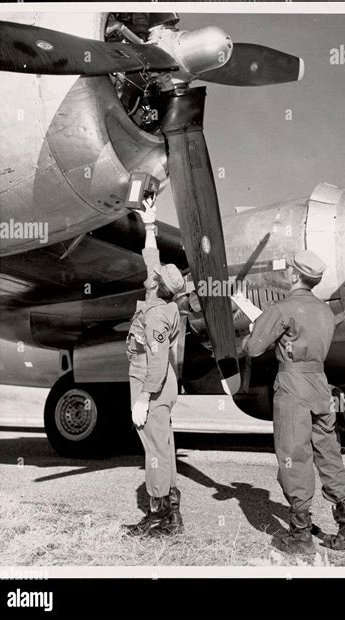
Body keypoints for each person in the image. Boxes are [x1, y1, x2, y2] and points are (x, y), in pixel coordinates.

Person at [242, 250, 345, 553]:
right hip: (320, 387)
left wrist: (253, 333)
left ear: (294, 275)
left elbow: (253, 349)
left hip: (292, 386)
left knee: (294, 455)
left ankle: (300, 535)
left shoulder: (283, 308)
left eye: (288, 270)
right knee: (328, 452)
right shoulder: (325, 312)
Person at [122, 199, 185, 538]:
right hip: (157, 379)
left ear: (157, 286)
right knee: (163, 445)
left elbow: (158, 361)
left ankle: (158, 517)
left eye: (155, 276)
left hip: (151, 379)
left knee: (155, 451)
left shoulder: (157, 315)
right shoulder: (160, 299)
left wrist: (144, 397)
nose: (152, 273)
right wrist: (150, 225)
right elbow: (152, 258)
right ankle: (172, 514)